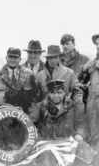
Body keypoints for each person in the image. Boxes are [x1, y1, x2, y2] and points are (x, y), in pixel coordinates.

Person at [29, 80, 87, 166]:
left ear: (64, 92)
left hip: (69, 143)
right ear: (48, 93)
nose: (56, 96)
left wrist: (79, 133)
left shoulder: (73, 106)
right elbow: (32, 126)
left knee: (87, 157)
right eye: (53, 93)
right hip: (47, 145)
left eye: (59, 92)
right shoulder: (41, 107)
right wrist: (38, 138)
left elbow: (80, 123)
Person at [78, 34, 99, 166]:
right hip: (93, 106)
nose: (98, 46)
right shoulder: (92, 64)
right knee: (94, 135)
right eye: (97, 43)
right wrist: (84, 69)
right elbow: (80, 81)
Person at [0, 47, 38, 113]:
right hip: (5, 115)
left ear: (20, 59)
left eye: (15, 57)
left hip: (25, 115)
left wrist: (32, 112)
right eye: (10, 57)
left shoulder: (28, 74)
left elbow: (36, 95)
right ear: (6, 58)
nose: (13, 60)